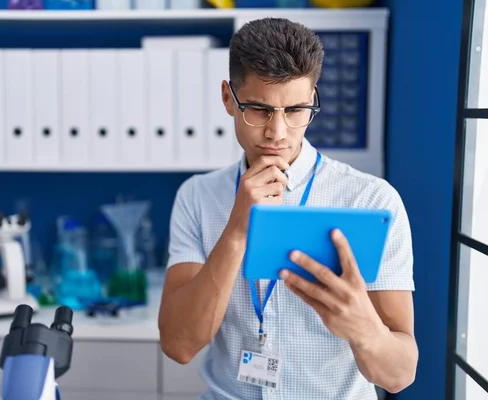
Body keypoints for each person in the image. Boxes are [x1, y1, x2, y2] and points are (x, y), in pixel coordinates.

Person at [158, 17, 418, 400]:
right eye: (260, 110)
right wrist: (236, 231)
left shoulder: (372, 200)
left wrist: (363, 328)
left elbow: (398, 376)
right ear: (229, 99)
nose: (277, 133)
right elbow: (179, 345)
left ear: (313, 99)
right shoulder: (197, 196)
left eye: (296, 110)